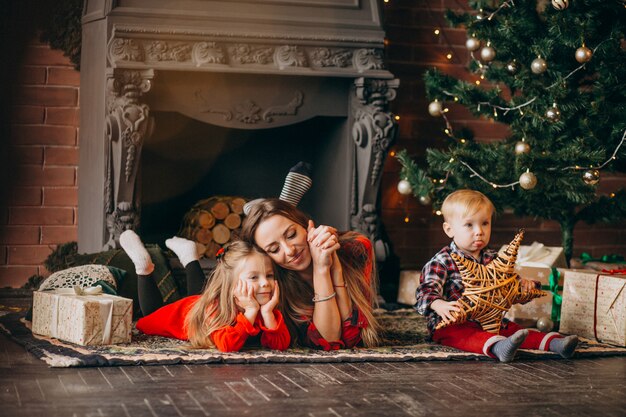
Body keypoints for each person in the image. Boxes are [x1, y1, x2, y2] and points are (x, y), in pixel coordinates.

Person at [415, 189, 579, 362]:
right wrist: (439, 305)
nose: (479, 231)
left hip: (490, 320)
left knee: (516, 331)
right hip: (452, 323)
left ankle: (556, 344)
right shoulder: (442, 261)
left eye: (485, 223)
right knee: (463, 335)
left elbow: (509, 288)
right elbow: (424, 292)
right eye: (469, 225)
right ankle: (498, 348)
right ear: (449, 229)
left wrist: (526, 287)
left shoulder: (493, 259)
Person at [241, 198, 380, 351]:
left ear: (305, 225)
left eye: (291, 235)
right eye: (274, 250)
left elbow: (352, 339)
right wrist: (321, 270)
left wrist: (336, 269)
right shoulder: (276, 285)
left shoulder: (355, 249)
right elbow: (329, 341)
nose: (289, 251)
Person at [120, 230, 290, 352]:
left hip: (198, 305)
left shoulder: (264, 308)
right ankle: (143, 267)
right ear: (231, 286)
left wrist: (268, 313)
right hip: (178, 315)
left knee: (202, 295)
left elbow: (280, 345)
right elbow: (227, 345)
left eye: (269, 275)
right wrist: (251, 312)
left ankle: (189, 256)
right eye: (254, 277)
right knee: (149, 316)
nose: (265, 283)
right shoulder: (215, 309)